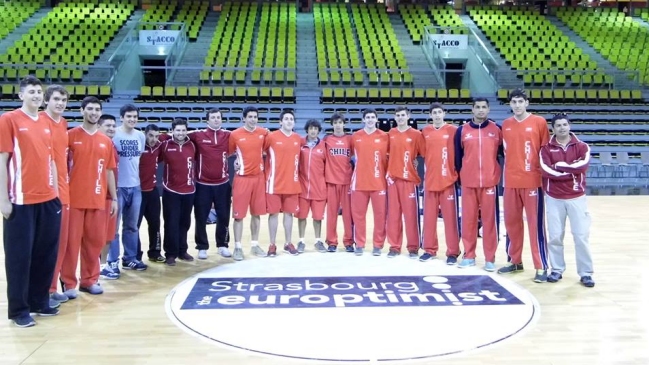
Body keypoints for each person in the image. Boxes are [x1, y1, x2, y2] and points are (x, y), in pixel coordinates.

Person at [0, 76, 62, 327]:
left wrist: (56, 194)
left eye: (39, 92)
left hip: (48, 200)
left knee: (45, 254)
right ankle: (19, 310)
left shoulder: (47, 123)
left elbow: (51, 161)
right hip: (21, 201)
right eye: (32, 92)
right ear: (20, 95)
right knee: (19, 257)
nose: (37, 95)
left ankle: (39, 301)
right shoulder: (9, 120)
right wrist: (3, 200)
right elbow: (2, 161)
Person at [64, 96, 118, 296]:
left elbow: (109, 170)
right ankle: (69, 283)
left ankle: (89, 280)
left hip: (97, 199)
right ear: (82, 111)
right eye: (90, 109)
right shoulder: (70, 136)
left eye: (97, 109)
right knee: (71, 245)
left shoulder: (105, 141)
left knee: (94, 243)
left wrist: (114, 198)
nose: (94, 112)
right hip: (73, 199)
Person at [498, 89, 551, 283]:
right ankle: (515, 261)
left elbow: (546, 152)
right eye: (514, 102)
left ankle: (541, 266)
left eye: (520, 101)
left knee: (535, 226)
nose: (517, 105)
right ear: (510, 104)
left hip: (532, 182)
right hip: (511, 181)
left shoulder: (539, 122)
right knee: (512, 224)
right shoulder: (506, 124)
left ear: (527, 103)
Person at [539, 113, 595, 288]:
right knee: (555, 237)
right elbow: (545, 170)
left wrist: (559, 166)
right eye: (558, 125)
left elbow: (583, 166)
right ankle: (556, 269)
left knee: (581, 236)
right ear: (553, 129)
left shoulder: (582, 146)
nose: (562, 128)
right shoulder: (545, 149)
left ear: (569, 126)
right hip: (554, 198)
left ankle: (586, 273)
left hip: (577, 197)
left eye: (564, 124)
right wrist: (570, 171)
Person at [455, 98, 502, 271]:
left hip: (490, 183)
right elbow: (457, 157)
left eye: (484, 107)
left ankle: (490, 258)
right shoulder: (462, 131)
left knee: (490, 222)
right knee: (468, 221)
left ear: (488, 109)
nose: (481, 110)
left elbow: (502, 153)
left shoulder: (497, 130)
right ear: (472, 109)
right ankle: (469, 256)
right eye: (477, 107)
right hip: (468, 183)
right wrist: (462, 177)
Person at [106, 104, 147, 272]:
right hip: (117, 187)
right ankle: (111, 261)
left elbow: (138, 160)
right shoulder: (114, 134)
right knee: (113, 228)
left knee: (132, 226)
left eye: (135, 117)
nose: (132, 119)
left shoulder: (140, 135)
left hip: (135, 186)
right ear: (121, 117)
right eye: (129, 116)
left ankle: (129, 258)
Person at [40, 85, 71, 308]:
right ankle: (42, 292)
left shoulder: (63, 124)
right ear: (46, 101)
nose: (60, 103)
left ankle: (51, 288)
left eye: (64, 100)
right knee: (45, 245)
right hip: (46, 193)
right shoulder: (40, 121)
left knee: (59, 244)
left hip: (64, 192)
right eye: (56, 99)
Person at [188, 108, 232, 260]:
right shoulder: (197, 135)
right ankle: (202, 246)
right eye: (213, 117)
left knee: (224, 216)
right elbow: (177, 134)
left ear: (221, 119)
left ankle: (223, 245)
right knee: (200, 216)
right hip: (202, 185)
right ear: (207, 120)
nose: (216, 120)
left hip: (223, 184)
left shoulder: (228, 135)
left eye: (218, 117)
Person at [420, 103, 461, 264]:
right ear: (430, 115)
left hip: (448, 182)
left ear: (444, 113)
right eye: (434, 113)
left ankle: (453, 252)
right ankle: (429, 250)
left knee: (450, 220)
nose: (437, 115)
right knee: (429, 219)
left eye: (439, 112)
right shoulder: (425, 132)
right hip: (430, 181)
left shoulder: (453, 131)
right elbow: (422, 153)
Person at [228, 106, 268, 260]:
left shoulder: (263, 133)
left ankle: (254, 244)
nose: (253, 120)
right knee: (238, 216)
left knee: (256, 214)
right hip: (242, 179)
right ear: (244, 118)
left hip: (258, 179)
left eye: (255, 117)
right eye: (250, 117)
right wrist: (235, 163)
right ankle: (238, 247)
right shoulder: (235, 135)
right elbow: (230, 153)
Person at [386, 106, 424, 258]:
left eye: (403, 115)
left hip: (409, 180)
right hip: (393, 180)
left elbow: (423, 153)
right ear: (395, 118)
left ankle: (413, 247)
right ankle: (394, 247)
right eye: (398, 115)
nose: (400, 117)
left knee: (411, 215)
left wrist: (416, 162)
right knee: (393, 216)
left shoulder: (416, 134)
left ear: (408, 116)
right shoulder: (390, 134)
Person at [263, 110, 302, 256]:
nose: (289, 121)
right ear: (280, 122)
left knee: (289, 214)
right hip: (273, 183)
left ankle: (288, 242)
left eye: (291, 119)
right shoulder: (271, 137)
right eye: (286, 119)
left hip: (292, 183)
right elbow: (256, 149)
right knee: (273, 215)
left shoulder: (298, 138)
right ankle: (272, 244)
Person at [350, 109, 389, 256]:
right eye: (368, 117)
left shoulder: (384, 136)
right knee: (358, 216)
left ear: (377, 120)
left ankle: (378, 245)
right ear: (363, 120)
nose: (370, 119)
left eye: (373, 117)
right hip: (359, 182)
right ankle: (359, 244)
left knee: (380, 215)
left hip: (378, 182)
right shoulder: (356, 136)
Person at [160, 118, 196, 266]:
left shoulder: (193, 145)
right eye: (177, 130)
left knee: (185, 223)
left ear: (186, 130)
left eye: (183, 130)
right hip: (171, 190)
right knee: (171, 223)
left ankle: (182, 250)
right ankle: (170, 253)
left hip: (189, 190)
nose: (180, 133)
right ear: (172, 130)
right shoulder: (166, 145)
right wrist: (165, 135)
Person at [323, 113, 354, 253]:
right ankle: (332, 242)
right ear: (332, 125)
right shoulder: (326, 140)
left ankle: (348, 242)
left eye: (340, 122)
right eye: (335, 122)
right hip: (331, 181)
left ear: (344, 124)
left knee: (348, 214)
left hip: (347, 181)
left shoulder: (350, 139)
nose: (338, 125)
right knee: (331, 214)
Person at [296, 119, 327, 253]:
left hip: (319, 188)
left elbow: (328, 167)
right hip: (302, 188)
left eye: (316, 129)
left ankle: (318, 241)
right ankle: (301, 241)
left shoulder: (324, 146)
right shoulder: (300, 144)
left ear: (318, 131)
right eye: (311, 128)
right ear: (307, 130)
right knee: (302, 216)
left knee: (318, 217)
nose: (313, 131)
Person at [136, 124, 166, 263]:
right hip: (137, 191)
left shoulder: (159, 146)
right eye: (151, 136)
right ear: (145, 134)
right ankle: (135, 255)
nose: (154, 139)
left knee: (155, 223)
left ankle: (155, 252)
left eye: (156, 136)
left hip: (152, 191)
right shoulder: (138, 146)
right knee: (134, 226)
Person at [97, 115, 121, 281]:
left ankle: (103, 266)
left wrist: (114, 197)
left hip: (110, 196)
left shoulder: (111, 145)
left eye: (113, 126)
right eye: (107, 125)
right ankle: (93, 268)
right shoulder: (97, 143)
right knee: (96, 235)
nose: (112, 128)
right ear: (99, 126)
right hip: (97, 195)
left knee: (108, 235)